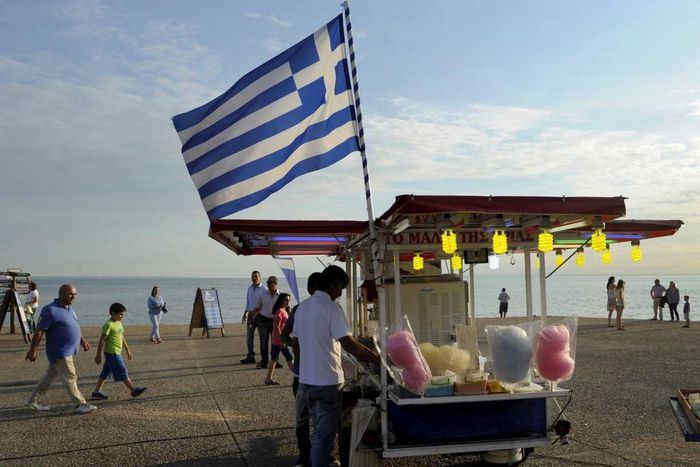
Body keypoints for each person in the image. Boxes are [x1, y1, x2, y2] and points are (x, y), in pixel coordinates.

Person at [293, 265, 380, 467]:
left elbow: (296, 342)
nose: (340, 293)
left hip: (306, 382)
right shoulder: (332, 308)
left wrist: (304, 366)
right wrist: (377, 358)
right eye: (341, 288)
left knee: (319, 432)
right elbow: (348, 343)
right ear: (333, 285)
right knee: (324, 436)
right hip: (327, 383)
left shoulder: (303, 307)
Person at [24, 284, 97, 414]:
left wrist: (82, 341)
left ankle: (32, 401)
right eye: (70, 294)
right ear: (61, 293)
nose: (73, 297)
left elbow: (74, 326)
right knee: (70, 376)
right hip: (59, 351)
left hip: (68, 350)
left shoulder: (70, 309)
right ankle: (79, 404)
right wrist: (33, 350)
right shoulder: (49, 310)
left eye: (75, 294)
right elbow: (39, 331)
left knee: (49, 376)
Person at [281, 272, 323, 467]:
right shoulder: (299, 310)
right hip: (304, 375)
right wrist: (300, 351)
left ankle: (315, 454)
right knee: (307, 418)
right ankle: (307, 454)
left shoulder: (323, 309)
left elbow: (284, 336)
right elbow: (284, 335)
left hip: (313, 375)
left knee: (312, 418)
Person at [91, 303, 147, 400]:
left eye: (123, 314)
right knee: (122, 370)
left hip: (117, 351)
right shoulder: (108, 325)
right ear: (113, 313)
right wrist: (98, 355)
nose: (122, 316)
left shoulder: (119, 323)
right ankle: (133, 390)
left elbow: (121, 337)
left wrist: (128, 350)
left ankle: (96, 392)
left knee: (105, 372)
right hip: (112, 353)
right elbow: (102, 340)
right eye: (120, 314)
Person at [250, 276, 281, 369]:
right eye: (267, 282)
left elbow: (287, 308)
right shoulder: (263, 294)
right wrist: (251, 318)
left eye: (270, 282)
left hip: (276, 322)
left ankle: (275, 361)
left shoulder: (281, 295)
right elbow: (257, 308)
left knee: (275, 342)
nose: (268, 284)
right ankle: (264, 361)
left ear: (275, 283)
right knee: (263, 342)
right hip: (263, 320)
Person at [264, 293, 294, 385]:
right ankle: (299, 378)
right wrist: (282, 341)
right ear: (281, 300)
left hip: (276, 339)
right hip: (279, 339)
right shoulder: (280, 311)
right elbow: (276, 327)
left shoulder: (284, 310)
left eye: (289, 300)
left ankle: (268, 378)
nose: (287, 301)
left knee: (274, 359)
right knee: (289, 358)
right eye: (285, 300)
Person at [240, 271, 265, 364]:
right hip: (250, 315)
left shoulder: (264, 289)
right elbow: (248, 302)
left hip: (260, 316)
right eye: (253, 277)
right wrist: (245, 314)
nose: (254, 278)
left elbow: (263, 304)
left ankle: (264, 358)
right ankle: (250, 357)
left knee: (263, 338)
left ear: (260, 277)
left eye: (256, 277)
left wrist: (255, 314)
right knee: (249, 338)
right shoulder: (249, 288)